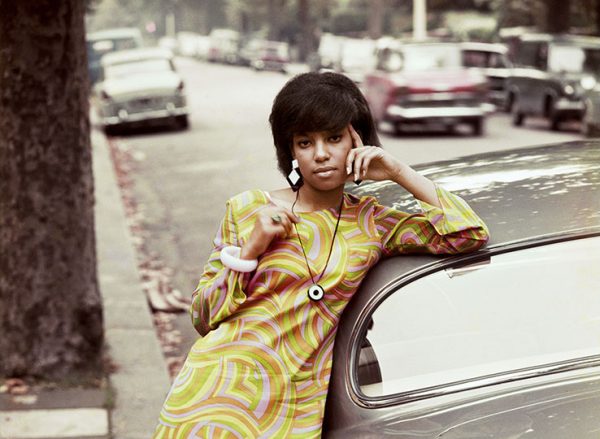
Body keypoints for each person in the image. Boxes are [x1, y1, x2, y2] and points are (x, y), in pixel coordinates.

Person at [153, 72, 489, 438]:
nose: (322, 154)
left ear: (355, 140)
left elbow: (469, 234)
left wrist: (396, 171)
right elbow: (203, 317)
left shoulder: (372, 222)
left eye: (333, 137)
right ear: (291, 151)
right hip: (213, 401)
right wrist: (251, 249)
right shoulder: (248, 209)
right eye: (305, 142)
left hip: (293, 408)